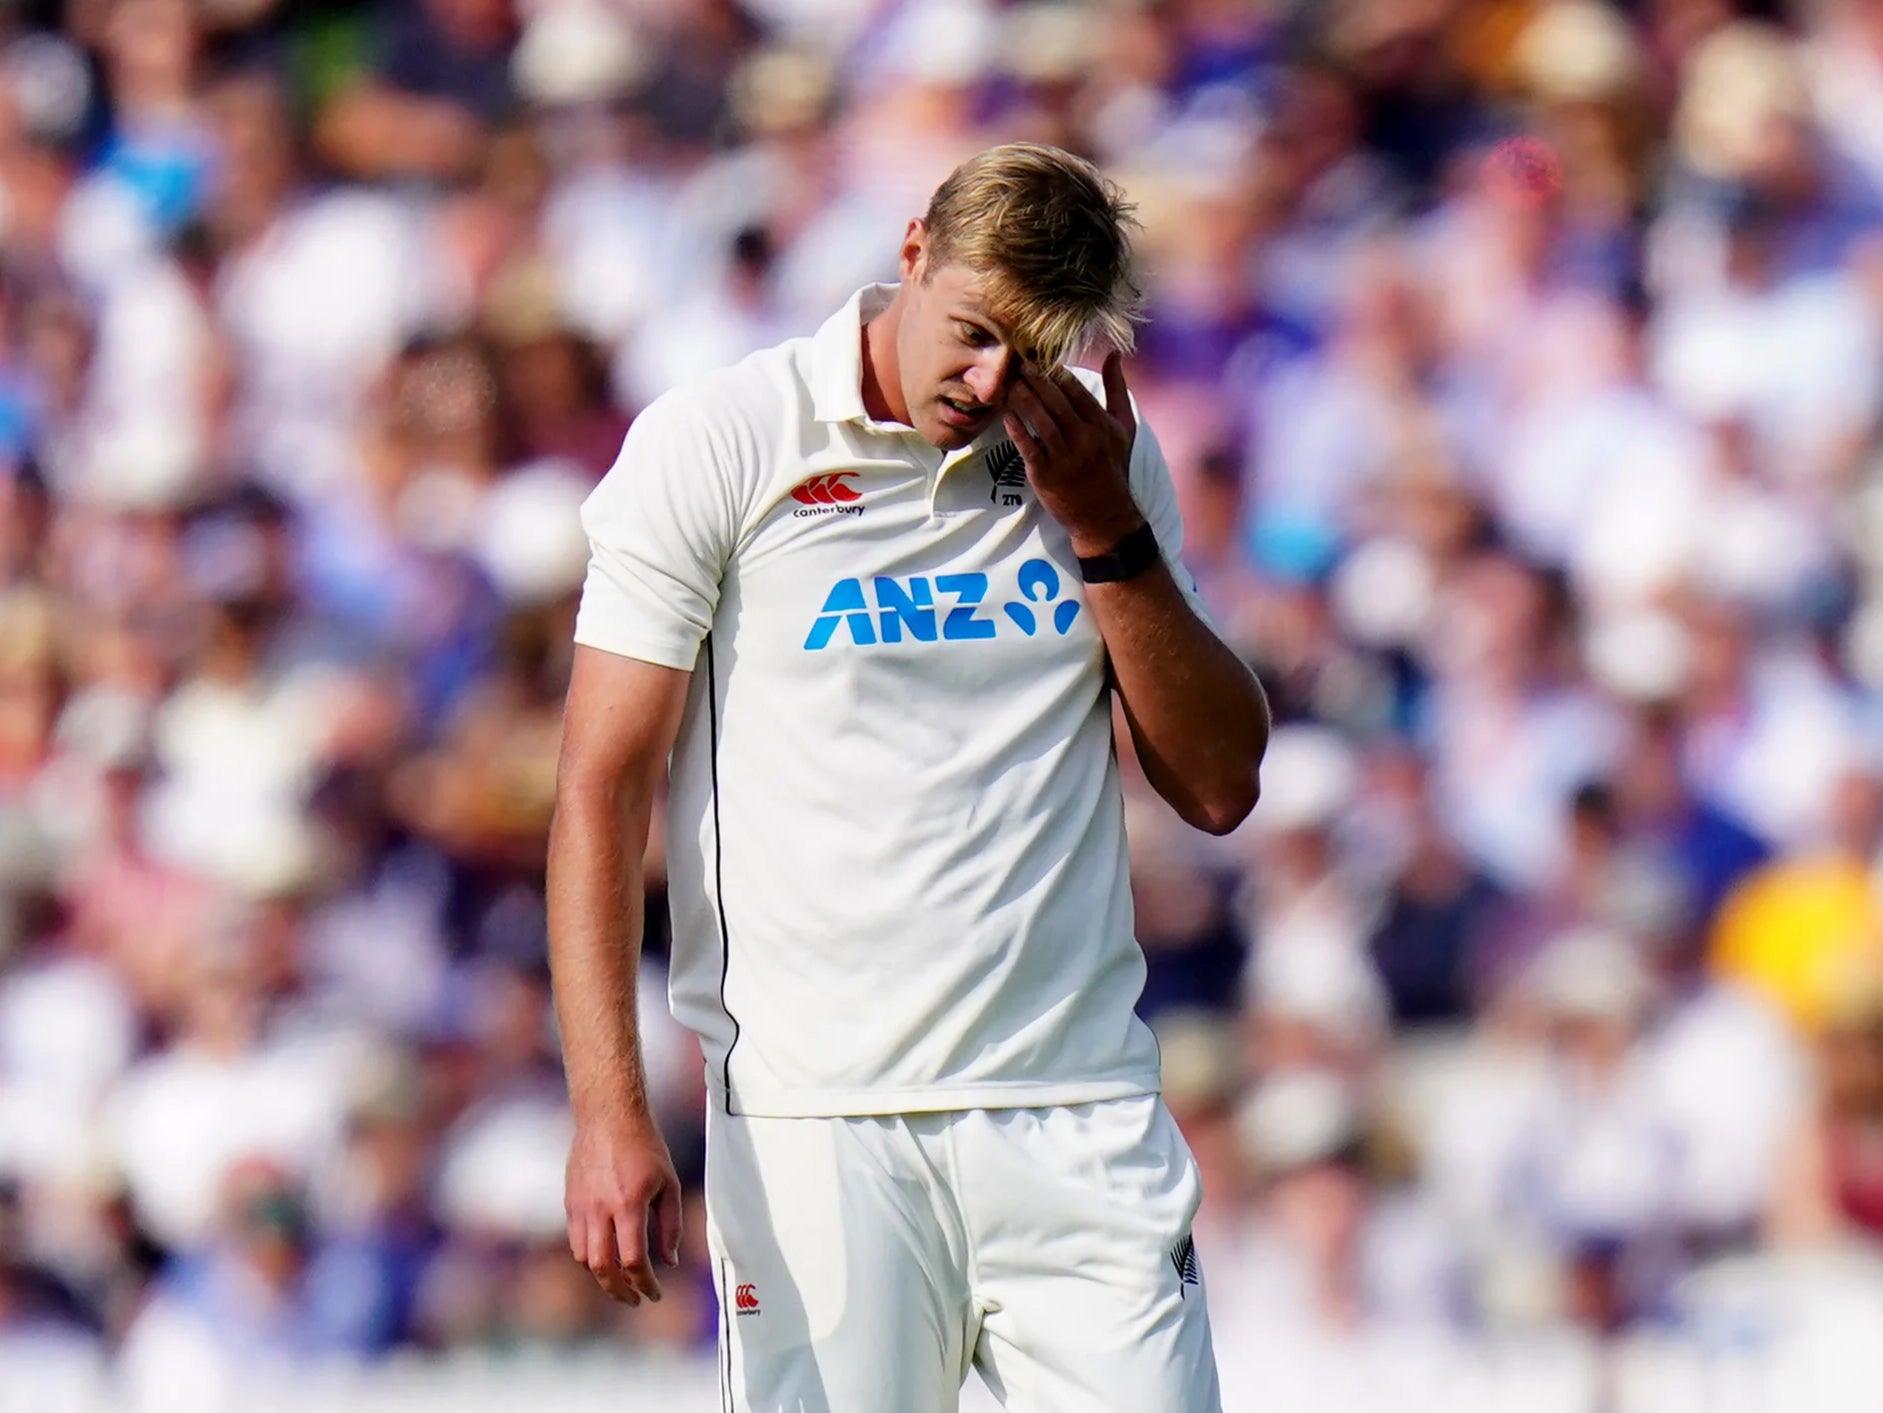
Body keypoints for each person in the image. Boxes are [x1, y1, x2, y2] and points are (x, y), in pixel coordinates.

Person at [548, 142, 1269, 1411]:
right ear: (910, 256)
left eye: (1032, 355)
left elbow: (1217, 785)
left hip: (1073, 1103)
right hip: (817, 1123)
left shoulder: (1092, 460)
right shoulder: (724, 440)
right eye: (975, 333)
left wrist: (1107, 532)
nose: (990, 384)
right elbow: (600, 793)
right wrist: (610, 1108)